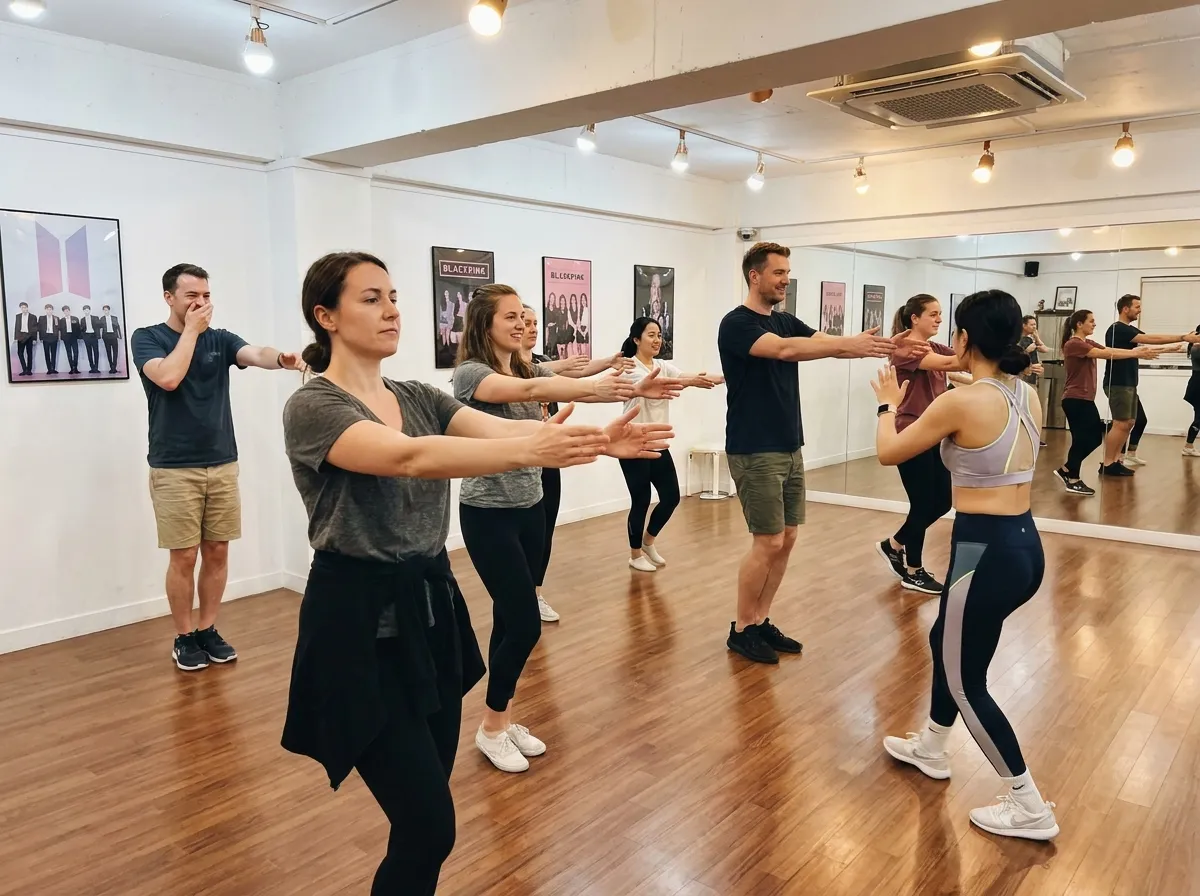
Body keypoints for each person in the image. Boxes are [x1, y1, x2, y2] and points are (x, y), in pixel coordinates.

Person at [280, 251, 672, 896]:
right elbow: (408, 458)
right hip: (357, 622)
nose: (393, 309)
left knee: (427, 824)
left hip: (432, 605)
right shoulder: (314, 406)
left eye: (394, 295)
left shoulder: (418, 395)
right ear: (326, 316)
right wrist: (533, 447)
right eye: (371, 298)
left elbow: (492, 428)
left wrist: (601, 441)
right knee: (429, 825)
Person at [453, 284, 679, 772]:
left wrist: (617, 411)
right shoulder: (472, 375)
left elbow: (547, 382)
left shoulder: (524, 365)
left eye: (522, 315)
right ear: (483, 323)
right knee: (524, 621)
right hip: (488, 515)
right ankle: (491, 727)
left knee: (509, 620)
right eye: (509, 316)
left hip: (530, 506)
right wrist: (605, 389)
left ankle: (500, 720)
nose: (520, 324)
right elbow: (537, 390)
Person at [873, 288, 1060, 841]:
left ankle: (1028, 805)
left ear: (964, 338)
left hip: (982, 551)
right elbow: (977, 393)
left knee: (964, 679)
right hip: (1022, 547)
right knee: (947, 645)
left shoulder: (962, 402)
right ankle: (931, 746)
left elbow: (890, 450)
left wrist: (887, 403)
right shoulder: (1024, 393)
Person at [717, 242, 900, 665]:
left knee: (789, 538)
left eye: (787, 272)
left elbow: (817, 338)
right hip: (754, 448)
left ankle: (762, 620)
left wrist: (861, 344)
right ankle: (742, 628)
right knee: (767, 542)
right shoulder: (737, 324)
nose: (784, 279)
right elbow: (786, 349)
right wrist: (845, 346)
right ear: (755, 276)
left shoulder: (784, 319)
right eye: (778, 272)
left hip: (788, 444)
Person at [131, 263, 305, 672]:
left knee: (218, 552)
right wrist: (190, 331)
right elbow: (169, 378)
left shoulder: (220, 340)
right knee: (184, 557)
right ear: (169, 298)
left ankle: (207, 629)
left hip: (223, 463)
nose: (202, 304)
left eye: (206, 296)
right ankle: (184, 636)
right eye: (192, 296)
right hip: (174, 467)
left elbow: (253, 353)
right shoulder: (148, 339)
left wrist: (280, 358)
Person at [519, 304, 630, 620]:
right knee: (524, 531)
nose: (530, 328)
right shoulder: (504, 368)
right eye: (524, 322)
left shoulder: (541, 362)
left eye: (534, 322)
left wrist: (608, 362)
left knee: (544, 528)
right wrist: (559, 365)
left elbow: (577, 373)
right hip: (520, 458)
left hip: (549, 456)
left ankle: (535, 593)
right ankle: (518, 595)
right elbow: (531, 378)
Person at [876, 294, 971, 596]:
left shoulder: (933, 346)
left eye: (941, 314)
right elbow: (951, 361)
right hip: (910, 431)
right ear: (914, 318)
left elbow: (955, 366)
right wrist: (974, 350)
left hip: (934, 432)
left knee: (941, 501)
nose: (939, 319)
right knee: (922, 503)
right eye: (933, 314)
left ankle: (893, 546)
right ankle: (913, 570)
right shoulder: (903, 349)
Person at [619, 316, 722, 571]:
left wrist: (725, 376)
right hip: (633, 444)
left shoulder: (664, 365)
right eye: (651, 335)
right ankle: (634, 555)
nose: (657, 340)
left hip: (658, 444)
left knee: (671, 497)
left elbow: (688, 376)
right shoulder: (628, 367)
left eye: (659, 335)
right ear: (636, 339)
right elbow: (654, 384)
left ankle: (648, 542)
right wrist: (688, 381)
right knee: (641, 500)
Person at [1057, 309, 1162, 495]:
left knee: (1091, 439)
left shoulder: (1086, 342)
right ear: (1079, 324)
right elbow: (1105, 354)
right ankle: (1071, 476)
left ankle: (1068, 471)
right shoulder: (1074, 344)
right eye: (1091, 321)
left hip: (1084, 398)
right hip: (1075, 398)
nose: (1094, 324)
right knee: (1086, 439)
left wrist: (1139, 351)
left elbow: (1110, 350)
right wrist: (1135, 354)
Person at [1101, 294, 1197, 473]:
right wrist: (1183, 337)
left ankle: (1116, 461)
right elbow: (1152, 339)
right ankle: (1108, 463)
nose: (1140, 310)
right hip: (1118, 383)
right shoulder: (1119, 329)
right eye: (1137, 306)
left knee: (1129, 423)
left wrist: (1172, 348)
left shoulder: (1127, 330)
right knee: (1120, 424)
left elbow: (1147, 346)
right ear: (1125, 309)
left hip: (1127, 384)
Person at [1018, 315, 1049, 446]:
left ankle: (1033, 436)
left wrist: (1036, 336)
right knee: (1026, 407)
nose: (1034, 327)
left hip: (1033, 376)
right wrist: (1026, 350)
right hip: (1025, 377)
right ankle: (1028, 437)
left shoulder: (1030, 339)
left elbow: (1044, 349)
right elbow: (1016, 354)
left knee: (1032, 408)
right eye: (1031, 324)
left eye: (1035, 324)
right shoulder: (1021, 340)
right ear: (1023, 325)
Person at [1185, 325, 1200, 457]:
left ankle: (1188, 445)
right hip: (1198, 385)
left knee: (1199, 417)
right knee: (1199, 417)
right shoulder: (1197, 348)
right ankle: (1188, 446)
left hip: (1197, 383)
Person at [13, 301, 36, 376]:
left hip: (29, 336)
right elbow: (16, 327)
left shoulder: (33, 316)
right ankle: (24, 369)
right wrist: (16, 338)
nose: (24, 309)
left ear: (27, 307)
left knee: (29, 353)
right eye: (22, 308)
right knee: (20, 353)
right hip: (21, 336)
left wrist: (34, 339)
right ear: (20, 308)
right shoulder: (18, 316)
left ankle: (29, 370)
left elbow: (35, 329)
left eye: (25, 307)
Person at [37, 303, 59, 375]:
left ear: (52, 310)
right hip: (45, 338)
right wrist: (40, 338)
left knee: (54, 354)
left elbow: (58, 328)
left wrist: (58, 337)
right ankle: (49, 369)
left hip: (53, 337)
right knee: (47, 354)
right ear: (45, 310)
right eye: (47, 309)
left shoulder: (56, 318)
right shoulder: (41, 318)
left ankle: (53, 369)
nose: (49, 311)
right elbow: (39, 328)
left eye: (50, 309)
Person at [99, 304, 122, 374]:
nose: (106, 311)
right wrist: (99, 336)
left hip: (114, 336)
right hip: (106, 337)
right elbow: (99, 328)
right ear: (103, 311)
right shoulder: (102, 318)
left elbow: (118, 327)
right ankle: (111, 367)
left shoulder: (114, 318)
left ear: (109, 310)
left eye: (107, 310)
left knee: (115, 352)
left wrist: (120, 336)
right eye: (104, 310)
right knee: (108, 352)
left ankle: (114, 367)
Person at [59, 305, 81, 375]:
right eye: (65, 311)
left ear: (69, 311)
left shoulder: (75, 318)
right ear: (63, 312)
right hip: (66, 338)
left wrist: (79, 337)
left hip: (74, 337)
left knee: (76, 353)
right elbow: (60, 330)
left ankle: (76, 368)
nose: (66, 312)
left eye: (67, 311)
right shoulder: (61, 320)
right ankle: (71, 368)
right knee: (69, 353)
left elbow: (78, 328)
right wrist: (61, 338)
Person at [80, 304, 101, 373]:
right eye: (85, 310)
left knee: (96, 352)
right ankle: (92, 367)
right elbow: (81, 329)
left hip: (94, 336)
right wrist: (83, 337)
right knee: (89, 353)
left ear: (90, 310)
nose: (86, 311)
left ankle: (96, 368)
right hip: (87, 337)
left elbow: (99, 326)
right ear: (83, 311)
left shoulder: (95, 318)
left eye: (87, 310)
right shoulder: (82, 319)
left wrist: (98, 335)